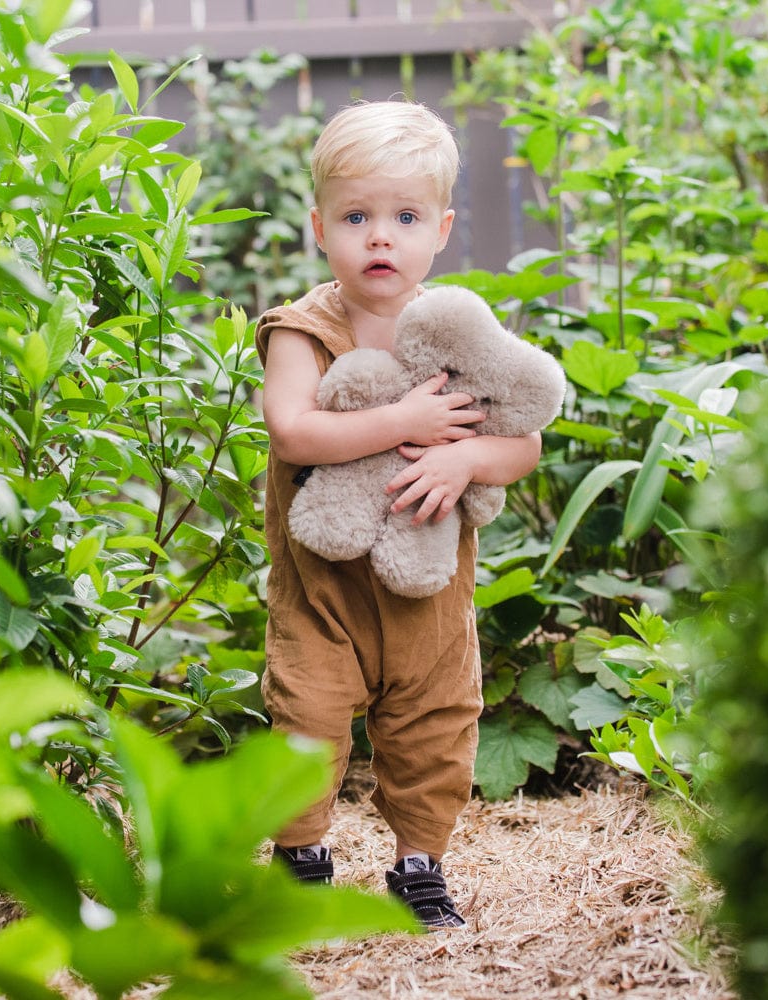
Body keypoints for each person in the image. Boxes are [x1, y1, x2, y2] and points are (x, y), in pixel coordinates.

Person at [255, 100, 541, 929]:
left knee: (434, 729)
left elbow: (519, 446)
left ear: (441, 228)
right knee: (305, 716)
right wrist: (404, 424)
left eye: (404, 216)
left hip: (429, 597)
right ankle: (302, 855)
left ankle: (419, 866)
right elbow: (293, 430)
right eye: (356, 216)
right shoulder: (302, 332)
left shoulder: (460, 332)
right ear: (319, 227)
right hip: (323, 593)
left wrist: (461, 456)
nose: (380, 237)